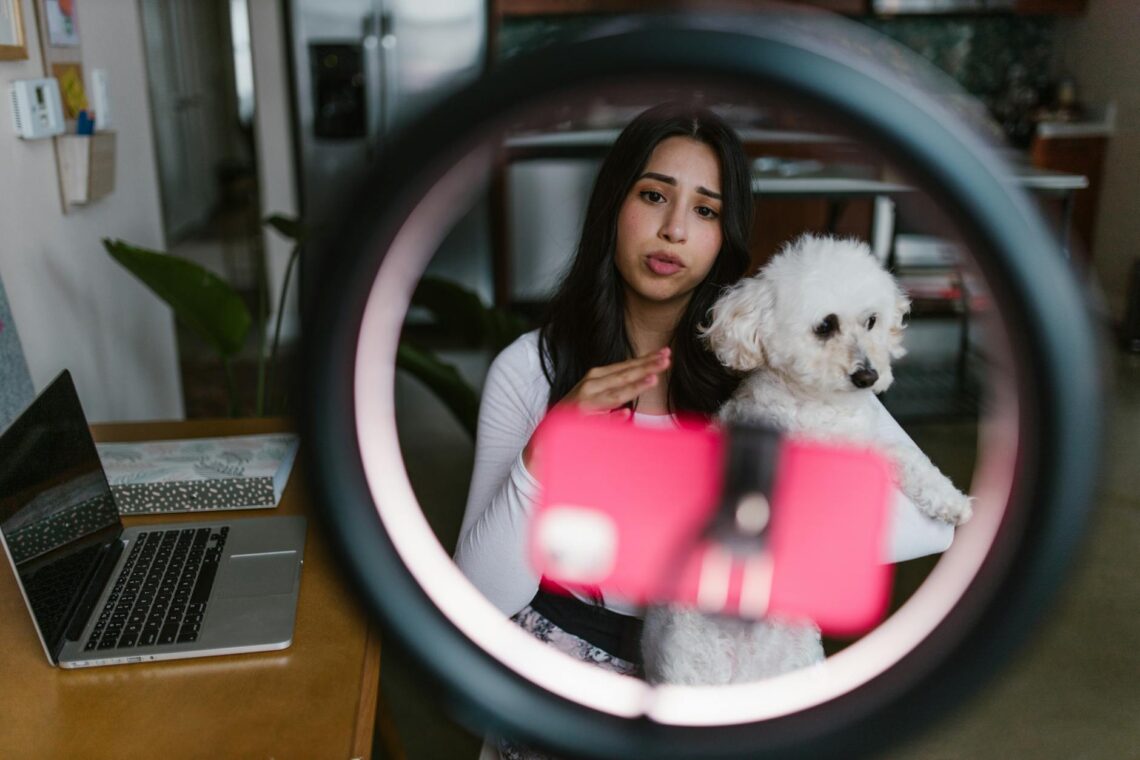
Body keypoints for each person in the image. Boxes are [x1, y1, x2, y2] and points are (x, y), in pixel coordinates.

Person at [453, 101, 754, 681]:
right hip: (561, 679)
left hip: (712, 681)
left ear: (726, 237)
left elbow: (924, 523)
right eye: (653, 195)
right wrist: (547, 452)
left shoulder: (755, 382)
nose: (675, 229)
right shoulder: (529, 369)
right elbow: (477, 603)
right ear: (613, 204)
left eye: (706, 210)